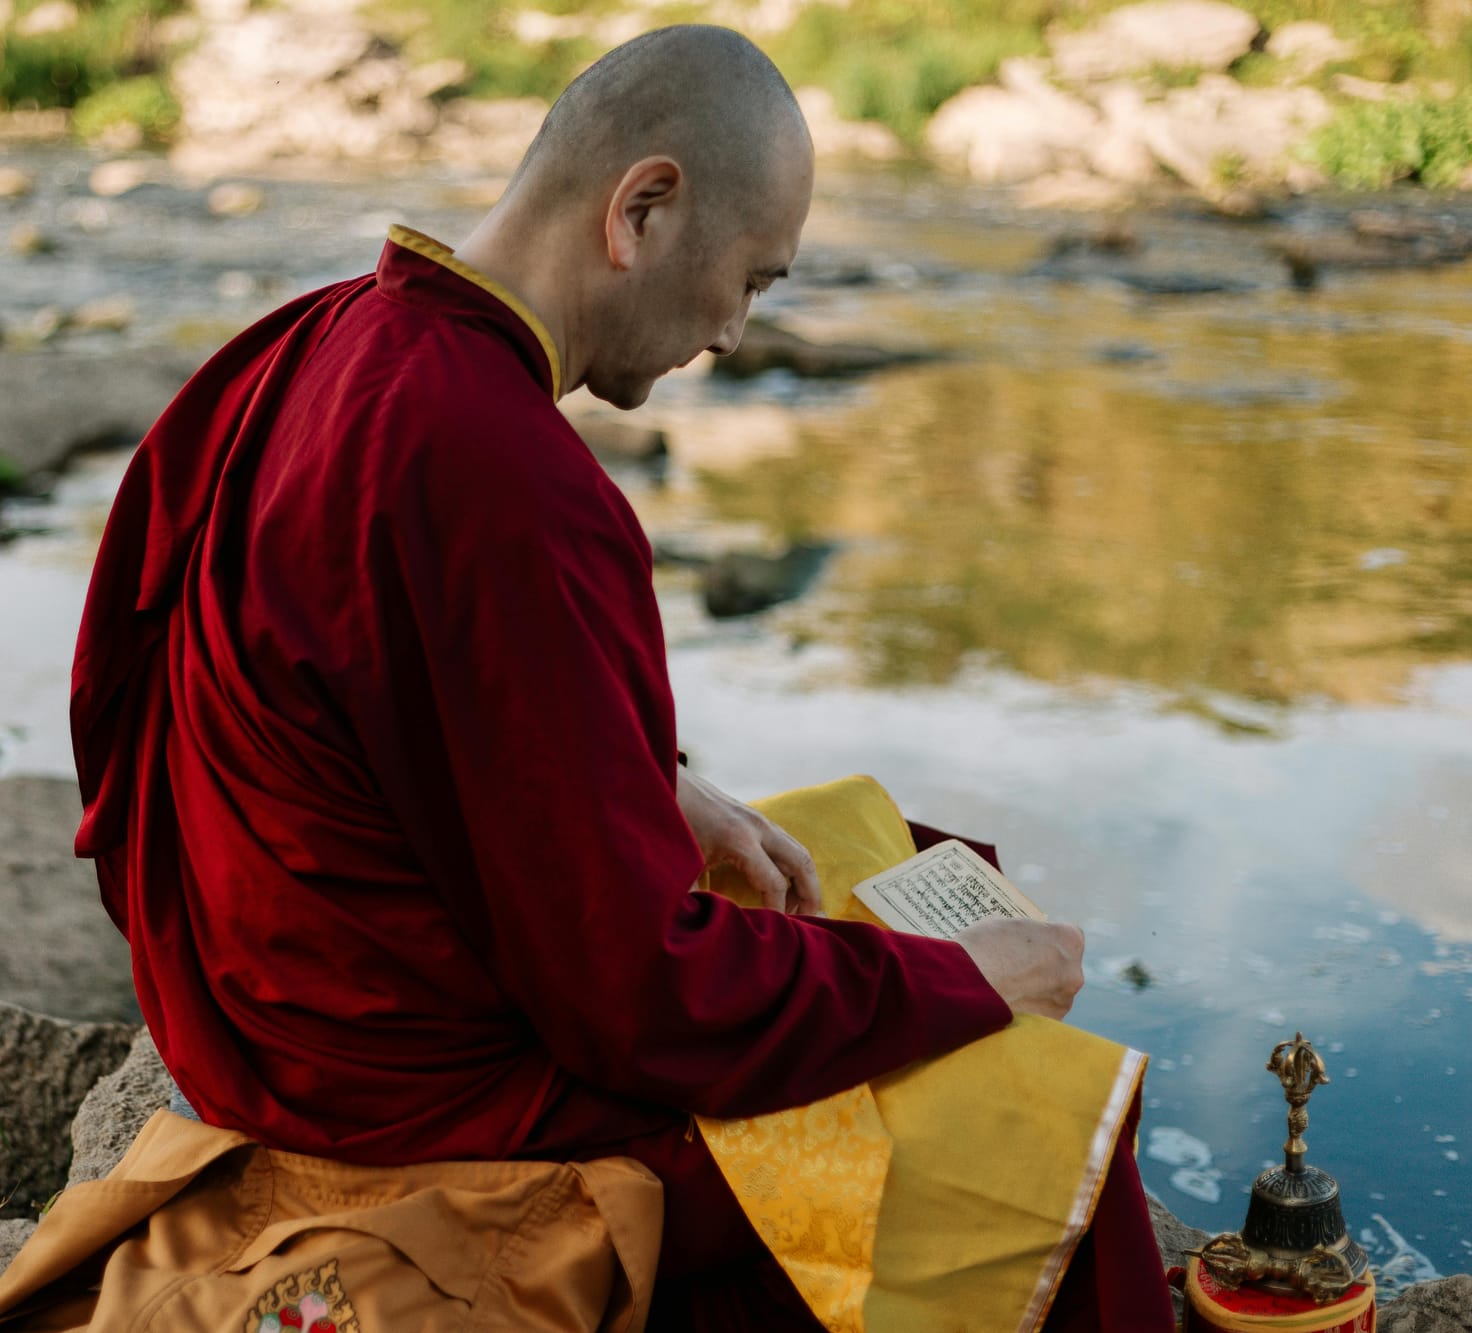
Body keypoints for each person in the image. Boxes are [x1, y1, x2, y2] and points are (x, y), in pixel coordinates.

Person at [63, 23, 1175, 1331]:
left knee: (882, 853)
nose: (736, 334)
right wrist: (965, 989)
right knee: (1035, 1103)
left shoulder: (314, 339)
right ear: (643, 209)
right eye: (752, 281)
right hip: (410, 1098)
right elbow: (639, 1002)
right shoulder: (507, 475)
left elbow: (163, 688)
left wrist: (665, 783)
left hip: (259, 999)